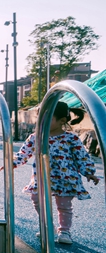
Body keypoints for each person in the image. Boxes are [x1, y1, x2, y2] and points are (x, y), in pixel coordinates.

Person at [9, 101, 100, 245]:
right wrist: (12, 163)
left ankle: (64, 230)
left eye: (46, 118)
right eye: (39, 118)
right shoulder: (36, 137)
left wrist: (89, 172)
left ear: (62, 120)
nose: (41, 122)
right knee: (36, 199)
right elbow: (23, 153)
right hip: (42, 176)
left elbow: (81, 157)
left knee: (63, 206)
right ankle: (48, 226)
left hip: (65, 178)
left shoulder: (71, 138)